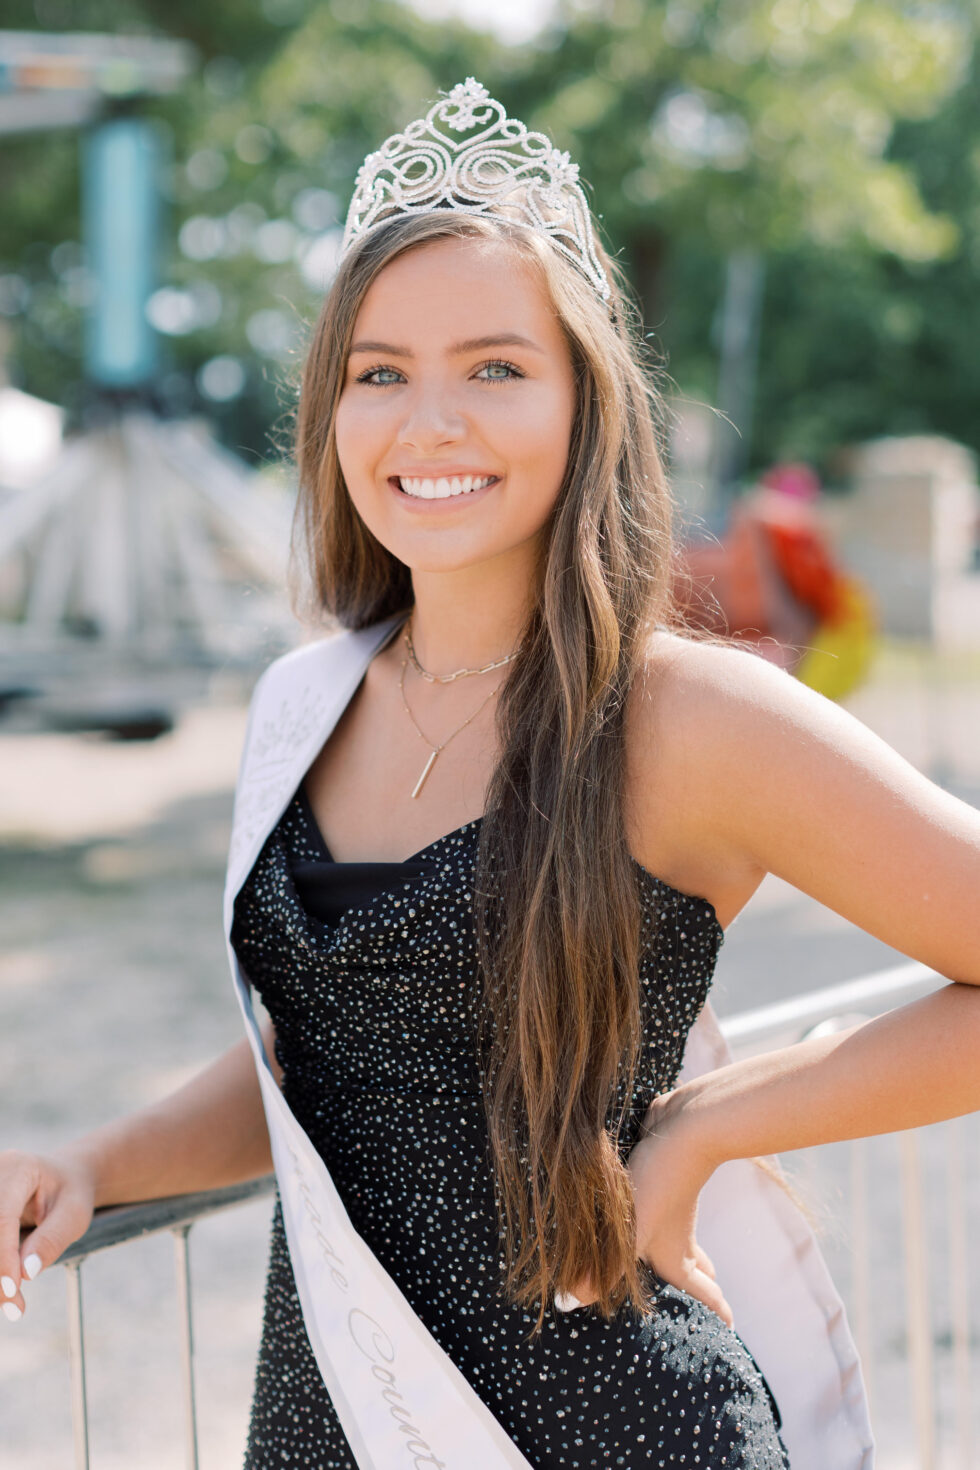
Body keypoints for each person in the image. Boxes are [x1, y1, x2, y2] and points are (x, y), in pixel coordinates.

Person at [3, 78, 979, 1470]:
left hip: (621, 1431)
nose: (430, 421)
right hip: (330, 1425)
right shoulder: (306, 706)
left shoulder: (684, 716)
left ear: (589, 398)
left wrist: (715, 1124)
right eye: (380, 370)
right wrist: (96, 1163)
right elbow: (323, 1053)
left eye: (497, 367)